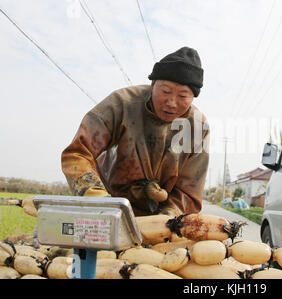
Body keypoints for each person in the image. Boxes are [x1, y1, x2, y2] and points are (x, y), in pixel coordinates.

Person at [61, 47, 209, 217]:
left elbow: (189, 190)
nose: (172, 103)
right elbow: (77, 154)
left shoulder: (197, 127)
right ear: (152, 84)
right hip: (108, 203)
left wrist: (168, 216)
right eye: (166, 91)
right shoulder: (121, 104)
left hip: (157, 214)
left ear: (193, 98)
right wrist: (97, 198)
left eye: (183, 96)